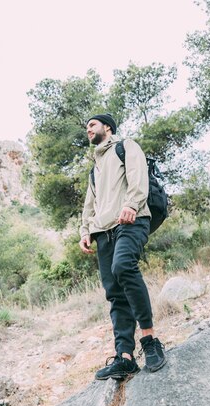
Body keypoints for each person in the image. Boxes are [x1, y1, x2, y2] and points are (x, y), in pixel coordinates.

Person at [79, 113, 166, 380]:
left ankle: (150, 341)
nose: (88, 129)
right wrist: (85, 230)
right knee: (114, 293)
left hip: (131, 219)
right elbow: (89, 204)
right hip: (103, 232)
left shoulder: (126, 146)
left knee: (124, 266)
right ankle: (125, 357)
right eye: (86, 128)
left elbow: (138, 177)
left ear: (107, 127)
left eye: (92, 125)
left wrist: (131, 204)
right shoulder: (95, 168)